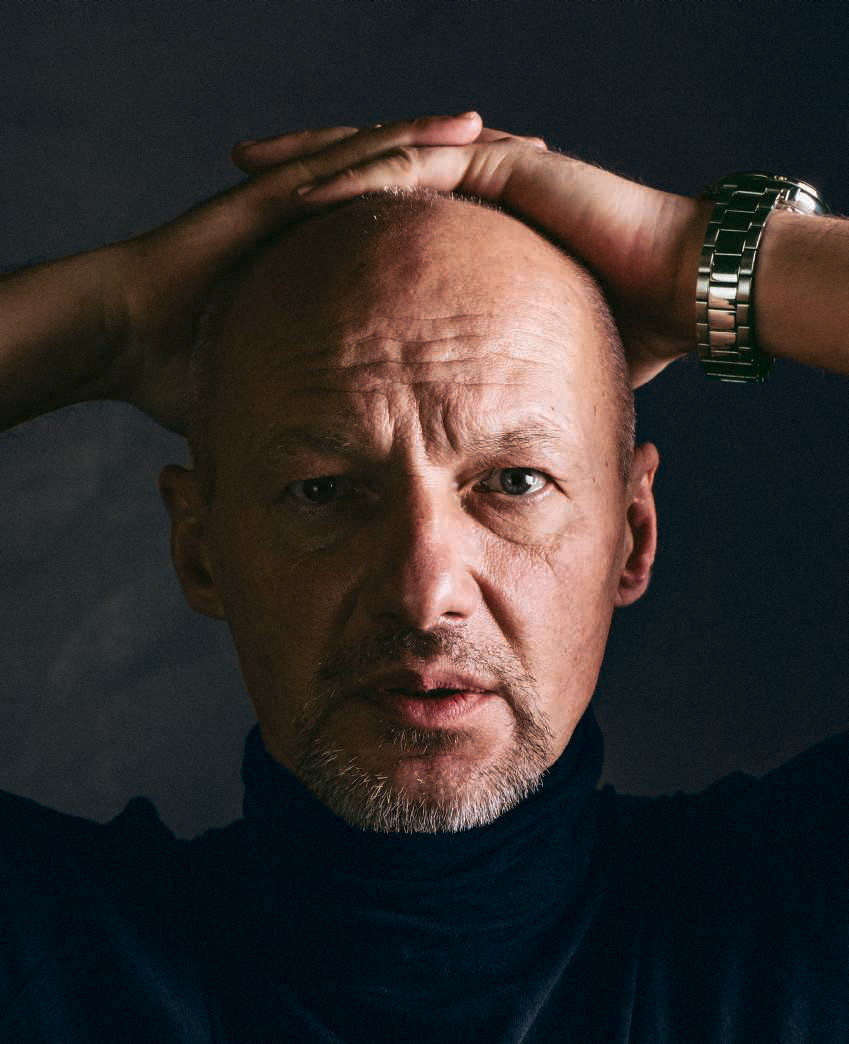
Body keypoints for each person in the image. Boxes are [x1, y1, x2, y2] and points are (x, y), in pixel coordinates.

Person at [0, 112, 846, 1041]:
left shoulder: (792, 922)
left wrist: (694, 255)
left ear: (631, 536)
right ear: (201, 550)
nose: (424, 591)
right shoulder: (53, 962)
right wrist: (111, 320)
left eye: (514, 483)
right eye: (323, 490)